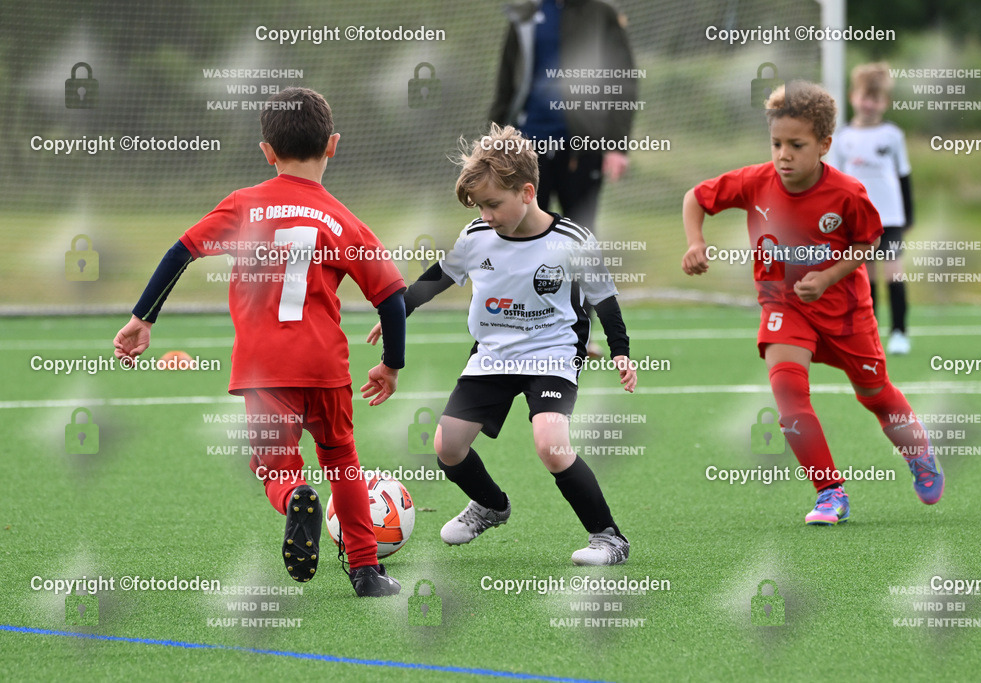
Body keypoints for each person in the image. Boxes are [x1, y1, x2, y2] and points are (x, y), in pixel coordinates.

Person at [112, 87, 406, 596]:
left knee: (274, 465)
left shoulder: (243, 205)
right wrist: (391, 363)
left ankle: (295, 496)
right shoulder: (344, 219)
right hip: (326, 367)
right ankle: (366, 571)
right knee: (342, 459)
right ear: (332, 145)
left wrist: (143, 317)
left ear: (267, 151)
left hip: (263, 368)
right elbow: (393, 297)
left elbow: (180, 252)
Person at [368, 123, 636, 564]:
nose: (486, 214)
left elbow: (603, 298)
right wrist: (399, 309)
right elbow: (439, 277)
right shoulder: (477, 236)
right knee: (447, 446)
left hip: (552, 354)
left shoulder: (572, 240)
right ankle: (491, 505)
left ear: (527, 192)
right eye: (479, 205)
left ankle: (608, 538)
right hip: (492, 355)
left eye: (493, 204)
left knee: (551, 443)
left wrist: (621, 350)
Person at [680, 81, 944, 525]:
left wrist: (827, 276)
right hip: (784, 308)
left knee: (876, 394)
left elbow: (868, 243)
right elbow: (696, 198)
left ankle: (918, 453)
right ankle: (829, 492)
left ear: (824, 145)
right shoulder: (754, 181)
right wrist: (695, 242)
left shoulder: (847, 193)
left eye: (796, 145)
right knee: (787, 394)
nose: (783, 154)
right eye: (776, 143)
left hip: (845, 313)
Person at [488, 0, 638, 236]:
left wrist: (616, 145)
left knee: (581, 236)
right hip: (526, 146)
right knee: (524, 235)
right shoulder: (525, 12)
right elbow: (506, 82)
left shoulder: (601, 13)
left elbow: (623, 80)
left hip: (582, 147)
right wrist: (493, 140)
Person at [832, 63, 915, 355]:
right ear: (853, 97)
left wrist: (908, 214)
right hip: (857, 221)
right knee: (864, 279)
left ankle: (900, 333)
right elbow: (836, 183)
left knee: (893, 274)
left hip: (889, 218)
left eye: (876, 99)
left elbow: (904, 176)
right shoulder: (842, 138)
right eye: (865, 97)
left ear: (885, 102)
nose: (870, 104)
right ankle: (870, 335)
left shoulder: (892, 135)